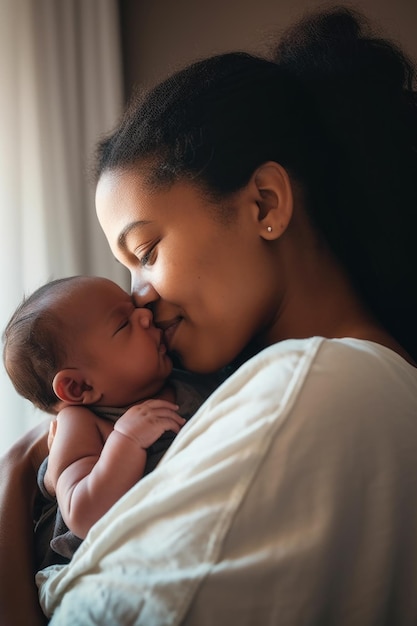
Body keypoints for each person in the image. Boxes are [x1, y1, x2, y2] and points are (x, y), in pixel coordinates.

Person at [1, 5, 417, 625]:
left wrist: (10, 479)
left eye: (145, 251)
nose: (138, 296)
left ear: (264, 204)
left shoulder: (311, 385)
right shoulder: (332, 382)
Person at [3, 275, 220, 569]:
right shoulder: (79, 423)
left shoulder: (177, 375)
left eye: (133, 309)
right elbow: (82, 512)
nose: (145, 315)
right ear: (79, 387)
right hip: (99, 562)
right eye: (123, 324)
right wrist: (126, 440)